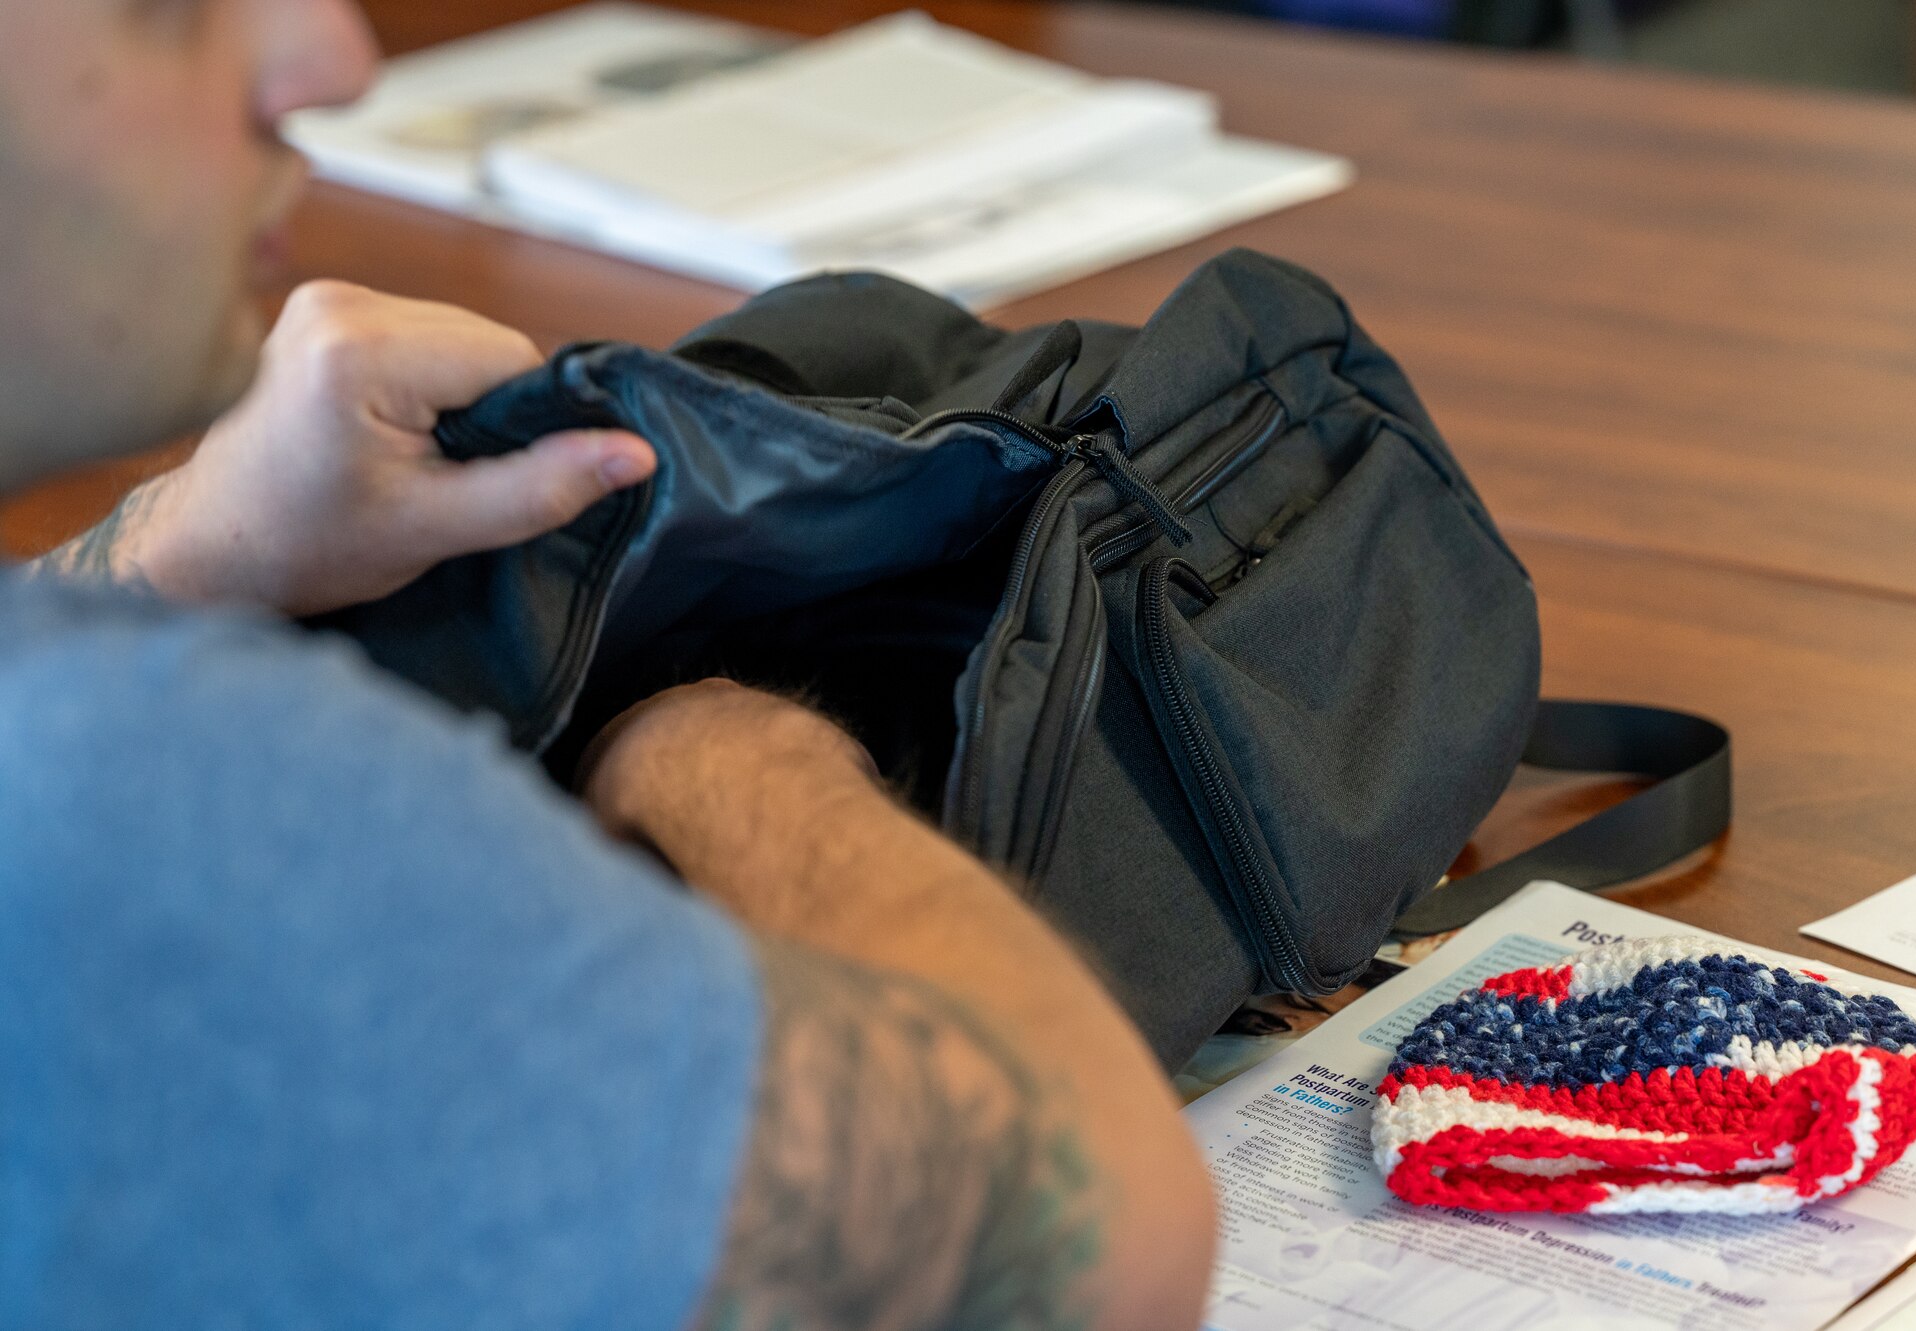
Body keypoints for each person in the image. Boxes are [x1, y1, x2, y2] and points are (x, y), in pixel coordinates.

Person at [0, 0, 1217, 1326]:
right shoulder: (134, 799)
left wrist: (171, 553)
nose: (334, 60)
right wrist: (716, 748)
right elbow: (1108, 1239)